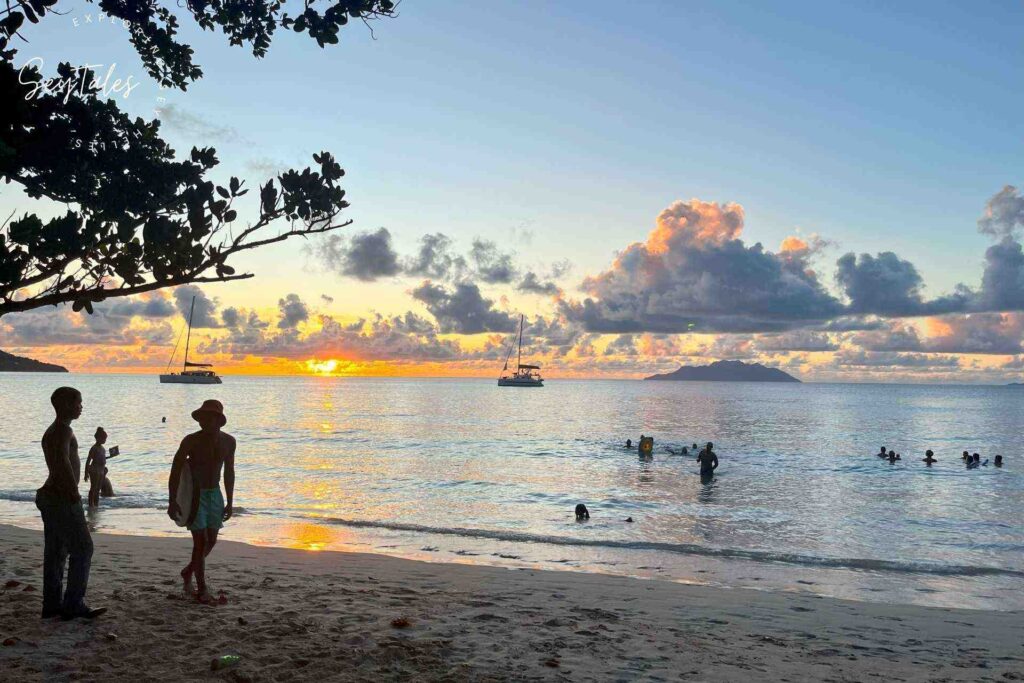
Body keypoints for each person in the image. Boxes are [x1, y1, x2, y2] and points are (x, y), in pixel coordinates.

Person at [36, 387, 106, 621]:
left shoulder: (58, 430)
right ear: (66, 405)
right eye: (78, 402)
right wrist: (73, 492)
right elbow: (62, 463)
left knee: (57, 552)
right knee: (83, 548)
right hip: (60, 496)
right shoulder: (61, 432)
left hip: (53, 496)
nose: (81, 406)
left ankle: (53, 604)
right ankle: (73, 603)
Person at [167, 400, 236, 603]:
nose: (205, 421)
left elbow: (229, 472)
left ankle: (188, 571)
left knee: (212, 539)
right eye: (202, 418)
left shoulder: (229, 442)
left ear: (219, 420)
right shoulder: (190, 441)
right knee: (200, 542)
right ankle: (202, 589)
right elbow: (176, 470)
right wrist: (172, 500)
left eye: (210, 417)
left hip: (215, 494)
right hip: (195, 495)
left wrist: (230, 501)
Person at [84, 428, 117, 508]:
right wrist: (86, 473)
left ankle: (96, 504)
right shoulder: (94, 448)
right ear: (98, 438)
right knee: (93, 488)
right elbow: (88, 461)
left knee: (98, 489)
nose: (105, 440)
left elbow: (101, 458)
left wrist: (110, 456)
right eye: (103, 438)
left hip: (101, 470)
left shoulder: (102, 449)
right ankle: (91, 504)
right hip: (94, 470)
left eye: (105, 439)